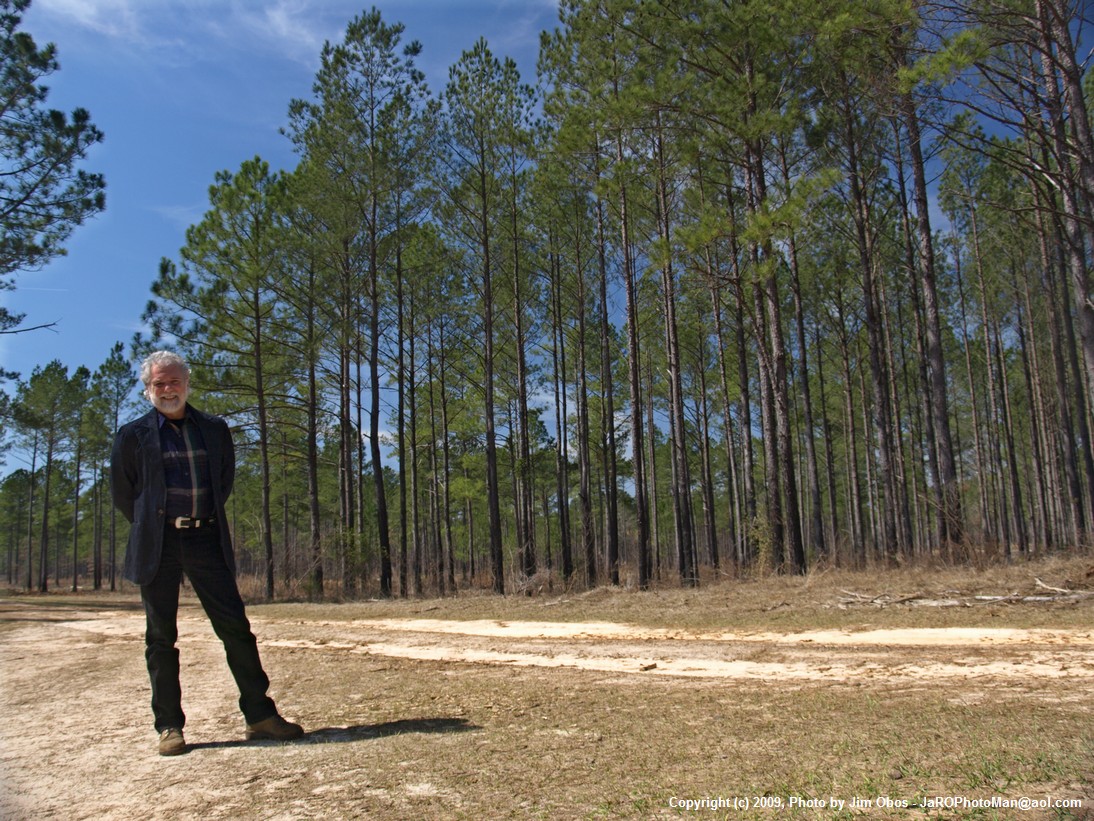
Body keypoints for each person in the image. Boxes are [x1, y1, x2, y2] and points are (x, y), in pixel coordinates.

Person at [111, 350, 303, 756]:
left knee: (235, 628)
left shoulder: (214, 429)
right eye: (159, 384)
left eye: (174, 381)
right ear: (148, 389)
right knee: (161, 638)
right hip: (157, 543)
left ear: (187, 383)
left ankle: (260, 716)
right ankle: (169, 727)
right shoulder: (132, 435)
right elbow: (125, 493)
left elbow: (223, 481)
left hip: (205, 539)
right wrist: (155, 522)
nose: (168, 389)